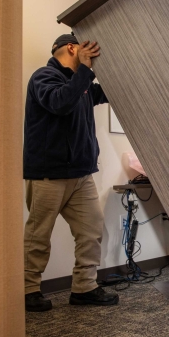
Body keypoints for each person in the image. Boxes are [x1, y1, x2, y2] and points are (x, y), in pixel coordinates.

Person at [23, 33, 118, 312]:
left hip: (81, 174)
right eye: (88, 51)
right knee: (38, 235)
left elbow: (111, 91)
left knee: (91, 230)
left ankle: (84, 288)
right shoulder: (44, 77)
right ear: (72, 48)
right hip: (48, 174)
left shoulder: (83, 84)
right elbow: (60, 103)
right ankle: (28, 290)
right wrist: (86, 71)